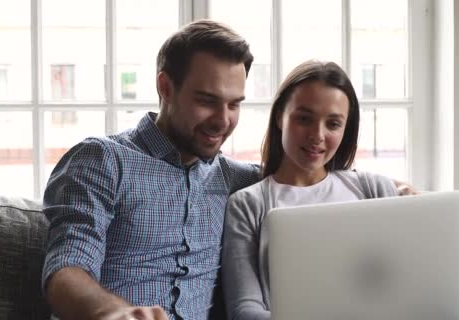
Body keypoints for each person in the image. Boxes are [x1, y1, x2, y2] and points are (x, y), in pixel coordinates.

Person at [41, 20, 260, 320]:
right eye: (207, 101)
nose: (223, 120)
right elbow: (66, 268)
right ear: (165, 87)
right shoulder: (103, 160)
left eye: (234, 104)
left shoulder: (241, 180)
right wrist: (116, 313)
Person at [222, 60, 405, 320]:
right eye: (304, 119)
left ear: (345, 130)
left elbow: (405, 280)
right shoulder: (248, 204)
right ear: (279, 117)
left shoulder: (373, 188)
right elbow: (245, 310)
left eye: (333, 124)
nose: (317, 135)